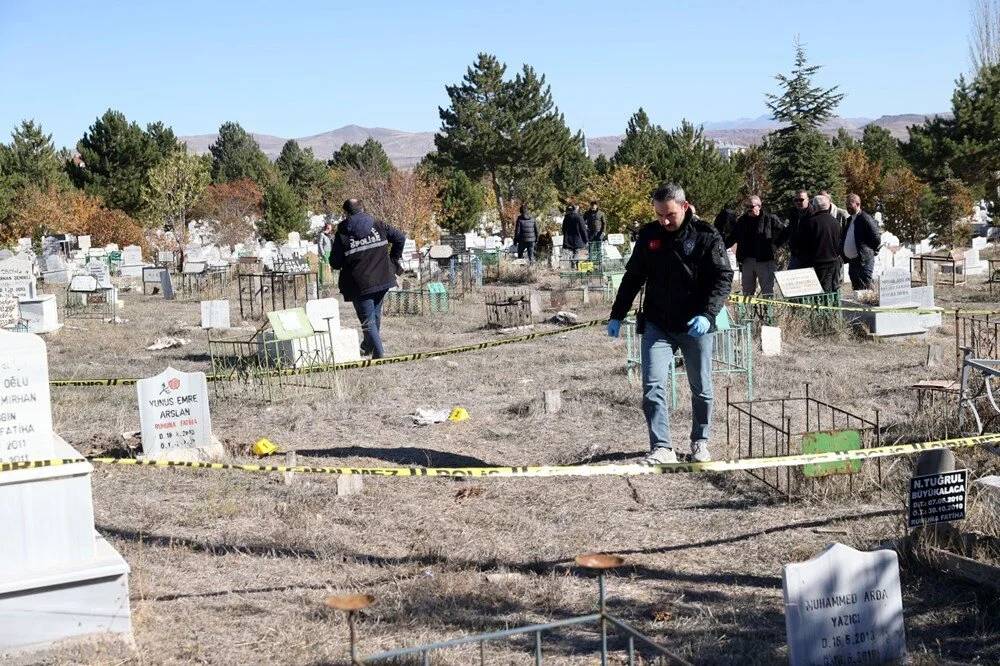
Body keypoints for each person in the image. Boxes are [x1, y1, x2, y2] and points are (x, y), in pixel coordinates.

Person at [607, 183, 733, 464]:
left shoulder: (706, 236)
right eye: (659, 215)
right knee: (652, 386)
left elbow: (723, 277)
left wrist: (708, 314)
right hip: (657, 323)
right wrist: (617, 314)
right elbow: (633, 278)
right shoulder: (650, 235)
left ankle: (700, 441)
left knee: (701, 387)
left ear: (685, 207)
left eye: (670, 215)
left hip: (695, 323)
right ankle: (662, 447)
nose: (664, 221)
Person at [329, 198, 406, 359]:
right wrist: (393, 260)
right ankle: (368, 348)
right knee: (375, 316)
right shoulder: (378, 223)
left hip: (359, 284)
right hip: (382, 279)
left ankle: (379, 355)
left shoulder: (343, 231)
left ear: (346, 212)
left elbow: (335, 262)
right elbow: (400, 238)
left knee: (368, 321)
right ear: (362, 208)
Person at [725, 195, 787, 296]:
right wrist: (721, 248)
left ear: (759, 206)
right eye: (747, 207)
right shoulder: (742, 221)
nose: (749, 209)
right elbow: (733, 237)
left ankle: (768, 312)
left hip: (765, 260)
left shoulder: (770, 219)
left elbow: (785, 233)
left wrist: (774, 246)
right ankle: (749, 312)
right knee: (747, 292)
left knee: (767, 292)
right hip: (747, 260)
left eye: (752, 206)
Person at [791, 194, 843, 294]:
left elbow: (802, 245)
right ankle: (833, 309)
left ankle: (823, 310)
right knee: (833, 292)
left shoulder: (809, 223)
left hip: (817, 265)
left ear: (814, 207)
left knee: (819, 295)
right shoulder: (835, 222)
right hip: (834, 263)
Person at [841, 193, 881, 290]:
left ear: (858, 204)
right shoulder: (850, 219)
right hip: (853, 261)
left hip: (863, 261)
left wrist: (868, 251)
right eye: (846, 205)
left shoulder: (865, 218)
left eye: (850, 205)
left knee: (865, 287)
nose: (847, 207)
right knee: (856, 288)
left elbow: (876, 238)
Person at [787, 190, 810, 269]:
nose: (798, 202)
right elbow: (789, 230)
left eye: (801, 200)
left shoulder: (813, 213)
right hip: (795, 253)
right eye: (796, 200)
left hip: (809, 255)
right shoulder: (793, 212)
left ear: (808, 199)